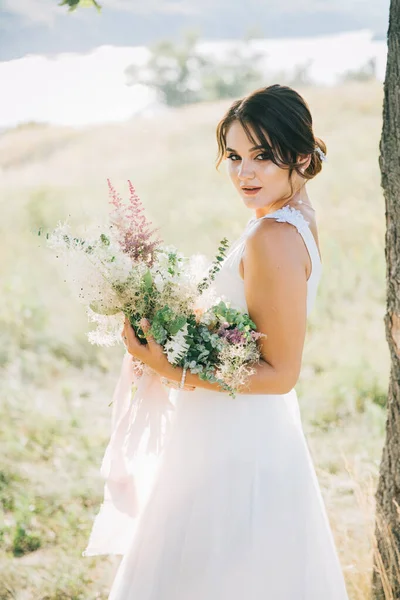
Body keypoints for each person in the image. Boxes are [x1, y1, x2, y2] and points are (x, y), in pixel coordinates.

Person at [106, 84, 350, 599]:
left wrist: (169, 366)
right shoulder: (291, 219)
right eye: (236, 156)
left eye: (262, 156)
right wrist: (182, 325)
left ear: (302, 156)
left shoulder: (273, 237)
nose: (244, 173)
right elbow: (252, 329)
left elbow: (281, 373)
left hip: (236, 442)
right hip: (238, 429)